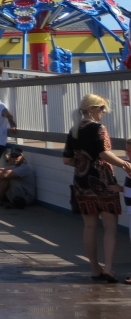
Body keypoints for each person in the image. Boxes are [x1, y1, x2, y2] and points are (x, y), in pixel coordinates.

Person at [63, 94, 131, 283]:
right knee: (110, 227)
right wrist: (125, 165)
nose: (103, 112)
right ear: (92, 108)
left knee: (89, 226)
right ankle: (108, 267)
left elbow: (67, 160)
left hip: (82, 182)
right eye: (101, 108)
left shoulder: (74, 130)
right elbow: (104, 153)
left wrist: (83, 163)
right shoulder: (99, 128)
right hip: (103, 181)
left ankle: (94, 268)